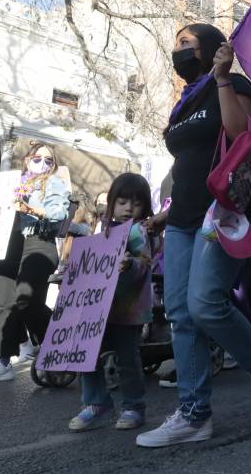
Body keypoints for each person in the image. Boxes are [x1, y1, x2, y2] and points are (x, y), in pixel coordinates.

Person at [136, 23, 251, 448]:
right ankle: (194, 414)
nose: (177, 50)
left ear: (210, 47)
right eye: (176, 43)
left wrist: (222, 78)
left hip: (220, 214)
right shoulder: (183, 103)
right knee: (181, 316)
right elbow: (187, 165)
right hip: (181, 220)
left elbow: (241, 135)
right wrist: (164, 218)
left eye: (186, 43)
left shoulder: (232, 83)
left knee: (205, 304)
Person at [0, 142, 70, 383]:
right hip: (9, 243)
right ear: (27, 159)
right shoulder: (12, 183)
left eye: (49, 160)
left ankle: (58, 344)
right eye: (38, 158)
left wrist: (31, 209)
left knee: (27, 299)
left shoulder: (55, 184)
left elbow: (59, 213)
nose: (43, 164)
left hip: (39, 241)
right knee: (3, 303)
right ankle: (1, 362)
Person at [69, 173, 154, 432]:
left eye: (136, 203)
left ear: (145, 207)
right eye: (123, 201)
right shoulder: (101, 230)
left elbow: (145, 263)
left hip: (127, 310)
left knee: (128, 358)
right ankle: (96, 403)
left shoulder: (140, 231)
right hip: (97, 308)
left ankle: (133, 406)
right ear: (112, 202)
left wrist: (131, 265)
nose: (128, 208)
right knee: (86, 353)